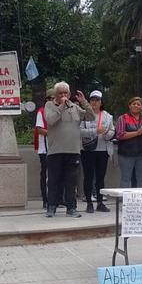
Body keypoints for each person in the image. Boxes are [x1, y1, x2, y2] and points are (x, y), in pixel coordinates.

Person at [44, 82, 95, 218]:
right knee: (54, 180)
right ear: (55, 95)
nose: (63, 95)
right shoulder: (49, 105)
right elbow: (50, 120)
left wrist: (84, 102)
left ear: (69, 94)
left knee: (71, 181)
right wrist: (61, 106)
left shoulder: (75, 107)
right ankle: (51, 207)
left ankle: (71, 208)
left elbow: (91, 117)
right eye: (60, 93)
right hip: (55, 150)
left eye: (65, 93)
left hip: (73, 150)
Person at [80, 90, 115, 213]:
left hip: (102, 149)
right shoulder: (84, 115)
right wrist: (95, 131)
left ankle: (100, 202)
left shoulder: (107, 116)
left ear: (101, 102)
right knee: (88, 177)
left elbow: (112, 131)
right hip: (88, 149)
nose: (94, 102)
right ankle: (89, 202)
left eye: (97, 100)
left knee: (101, 177)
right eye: (92, 100)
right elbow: (79, 131)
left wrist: (106, 134)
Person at [115, 97, 142, 188]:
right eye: (134, 104)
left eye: (138, 104)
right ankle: (125, 200)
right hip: (126, 154)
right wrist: (137, 133)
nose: (136, 106)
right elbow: (119, 135)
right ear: (129, 106)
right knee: (126, 179)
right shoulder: (123, 118)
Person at [33, 94, 52, 208]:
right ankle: (45, 199)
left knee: (55, 175)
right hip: (44, 148)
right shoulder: (42, 111)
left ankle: (57, 198)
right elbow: (39, 130)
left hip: (56, 147)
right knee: (45, 174)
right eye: (50, 99)